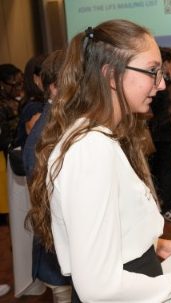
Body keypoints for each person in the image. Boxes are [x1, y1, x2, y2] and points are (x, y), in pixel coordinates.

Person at [26, 19, 171, 302]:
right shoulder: (90, 149)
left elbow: (109, 231)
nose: (162, 84)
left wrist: (152, 245)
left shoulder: (97, 138)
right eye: (152, 71)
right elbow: (98, 287)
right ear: (111, 76)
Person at [23, 49, 73, 303]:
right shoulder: (47, 130)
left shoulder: (57, 122)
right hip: (59, 257)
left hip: (62, 255)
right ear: (54, 87)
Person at [149, 47, 171, 223]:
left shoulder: (162, 80)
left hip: (159, 131)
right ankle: (167, 207)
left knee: (166, 170)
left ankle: (170, 200)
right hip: (163, 132)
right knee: (167, 171)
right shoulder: (159, 82)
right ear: (167, 62)